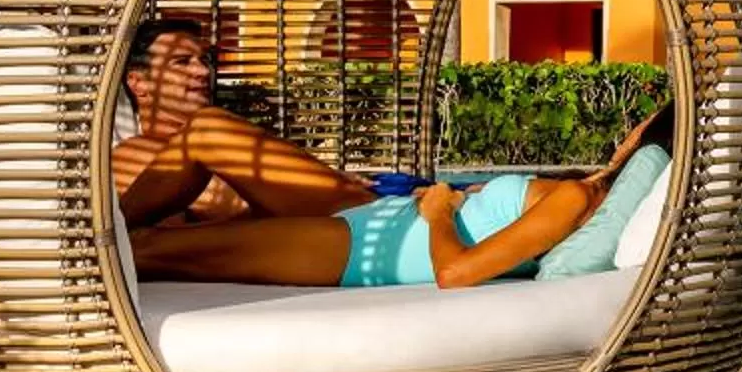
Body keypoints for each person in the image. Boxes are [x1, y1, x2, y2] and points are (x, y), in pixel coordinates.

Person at [131, 103, 673, 291]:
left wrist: (438, 211)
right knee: (203, 131)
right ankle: (89, 235)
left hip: (353, 248)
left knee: (149, 250)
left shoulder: (576, 199)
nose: (629, 129)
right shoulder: (573, 192)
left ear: (643, 140)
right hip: (374, 220)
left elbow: (455, 274)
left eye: (641, 124)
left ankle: (66, 261)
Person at [112, 16, 378, 231]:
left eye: (204, 60)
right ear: (139, 83)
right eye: (181, 62)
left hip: (354, 220)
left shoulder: (231, 143)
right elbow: (173, 238)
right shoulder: (135, 156)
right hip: (336, 233)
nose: (204, 72)